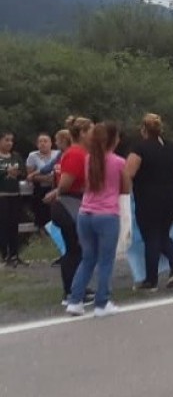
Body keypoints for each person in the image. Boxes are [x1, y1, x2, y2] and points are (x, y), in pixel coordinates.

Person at [66, 122, 129, 317]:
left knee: (87, 258)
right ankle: (102, 302)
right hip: (107, 214)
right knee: (105, 261)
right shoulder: (119, 162)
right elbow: (126, 188)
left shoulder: (89, 159)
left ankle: (75, 300)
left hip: (85, 213)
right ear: (113, 140)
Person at [126, 113, 173, 291]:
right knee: (162, 233)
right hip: (171, 196)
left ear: (144, 129)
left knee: (151, 237)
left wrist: (126, 195)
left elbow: (128, 173)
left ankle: (151, 280)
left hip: (148, 197)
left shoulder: (139, 149)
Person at [45, 117, 93, 305]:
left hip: (73, 203)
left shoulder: (82, 152)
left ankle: (76, 288)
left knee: (77, 247)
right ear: (82, 133)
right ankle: (71, 291)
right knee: (75, 248)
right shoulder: (76, 154)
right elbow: (65, 184)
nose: (93, 134)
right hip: (69, 204)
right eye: (91, 130)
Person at [0, 131, 27, 268]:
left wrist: (17, 173)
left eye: (11, 140)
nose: (9, 143)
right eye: (6, 140)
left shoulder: (16, 156)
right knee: (3, 225)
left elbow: (23, 171)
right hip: (2, 196)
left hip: (15, 194)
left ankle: (15, 254)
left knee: (14, 225)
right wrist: (6, 172)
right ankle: (5, 255)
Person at [26, 133, 60, 232]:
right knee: (41, 216)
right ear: (37, 144)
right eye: (40, 142)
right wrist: (45, 179)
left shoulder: (58, 154)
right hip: (40, 189)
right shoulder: (33, 156)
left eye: (45, 141)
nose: (43, 144)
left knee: (56, 215)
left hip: (56, 188)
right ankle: (43, 238)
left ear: (51, 143)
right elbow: (30, 175)